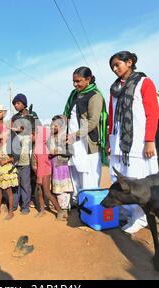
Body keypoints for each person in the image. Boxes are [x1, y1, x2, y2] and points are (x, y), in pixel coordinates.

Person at [108, 51, 159, 234]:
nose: (115, 69)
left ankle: (140, 217)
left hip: (138, 143)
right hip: (118, 143)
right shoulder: (114, 88)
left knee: (136, 182)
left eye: (117, 65)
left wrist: (149, 140)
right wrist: (109, 139)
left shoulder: (144, 83)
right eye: (112, 67)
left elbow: (152, 114)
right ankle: (126, 212)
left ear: (129, 62)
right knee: (118, 178)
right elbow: (111, 117)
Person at [63, 67, 108, 204]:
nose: (75, 84)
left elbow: (93, 121)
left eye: (78, 81)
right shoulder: (74, 95)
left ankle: (91, 204)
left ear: (88, 79)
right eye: (73, 81)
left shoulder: (95, 96)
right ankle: (79, 202)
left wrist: (75, 135)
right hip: (74, 143)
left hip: (88, 142)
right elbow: (67, 115)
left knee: (89, 174)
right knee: (76, 171)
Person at [33, 125, 68, 221]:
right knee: (40, 192)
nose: (34, 135)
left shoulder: (40, 147)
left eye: (36, 133)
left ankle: (59, 211)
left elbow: (41, 164)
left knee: (47, 192)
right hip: (42, 172)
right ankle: (42, 210)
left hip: (43, 172)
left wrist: (39, 177)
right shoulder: (40, 146)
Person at [10, 93, 38, 215]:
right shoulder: (14, 117)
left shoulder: (33, 115)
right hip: (17, 153)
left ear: (24, 104)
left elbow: (36, 133)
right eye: (14, 104)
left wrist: (24, 133)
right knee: (16, 181)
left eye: (18, 103)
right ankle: (15, 203)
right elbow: (11, 134)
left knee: (28, 179)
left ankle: (26, 204)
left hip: (30, 151)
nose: (16, 106)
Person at [0, 128, 18, 220]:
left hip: (7, 170)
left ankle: (11, 212)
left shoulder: (9, 146)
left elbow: (14, 158)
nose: (0, 134)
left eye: (3, 133)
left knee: (9, 192)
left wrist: (6, 160)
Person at [47, 115, 74, 212]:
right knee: (54, 187)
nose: (53, 127)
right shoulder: (49, 138)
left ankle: (65, 208)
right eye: (52, 125)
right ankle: (55, 205)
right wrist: (50, 154)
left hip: (62, 167)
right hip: (53, 167)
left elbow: (70, 151)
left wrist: (58, 152)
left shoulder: (65, 138)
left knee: (63, 188)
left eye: (56, 126)